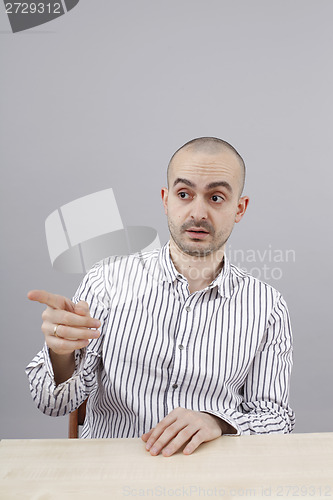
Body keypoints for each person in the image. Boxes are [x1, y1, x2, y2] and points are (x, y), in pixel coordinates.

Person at [26, 137, 295, 457]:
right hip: (110, 474)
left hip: (215, 479)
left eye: (216, 197)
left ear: (239, 208)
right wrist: (60, 355)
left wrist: (220, 422)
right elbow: (52, 404)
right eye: (184, 194)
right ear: (166, 200)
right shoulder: (106, 283)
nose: (198, 212)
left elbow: (276, 420)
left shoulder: (267, 306)